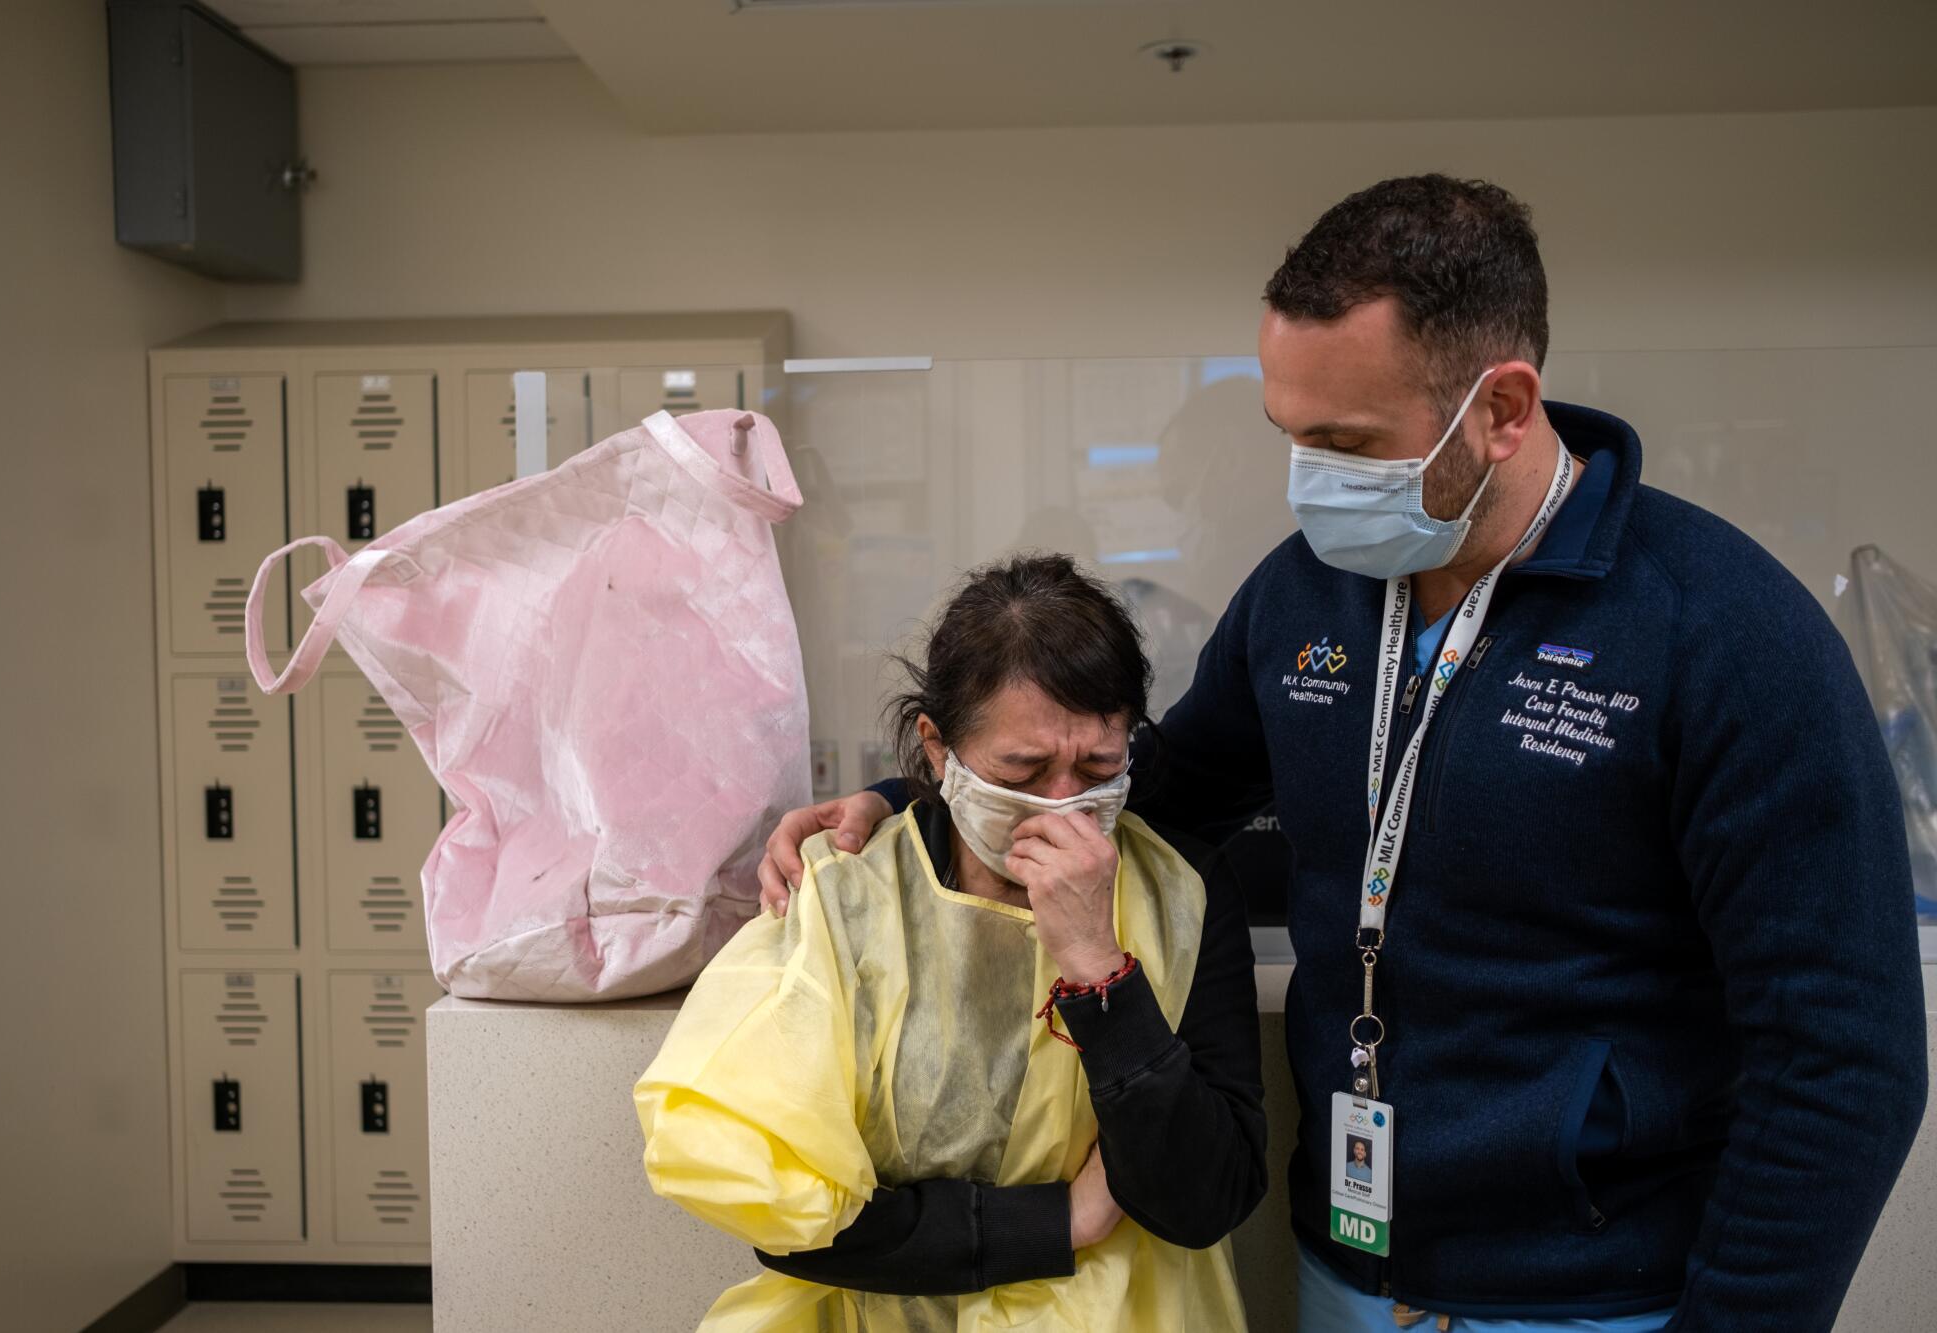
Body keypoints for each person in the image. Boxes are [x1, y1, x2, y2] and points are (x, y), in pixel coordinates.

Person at [760, 175, 1927, 1331]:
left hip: (1590, 1296)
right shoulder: (1305, 597)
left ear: (1503, 407)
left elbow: (1844, 1060)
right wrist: (908, 799)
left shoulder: (1720, 631)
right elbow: (1149, 795)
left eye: (1347, 442)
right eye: (1289, 434)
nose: (1308, 479)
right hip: (1345, 1268)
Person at [638, 554, 1267, 1330]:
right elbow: (791, 1220)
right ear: (937, 749)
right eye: (1024, 770)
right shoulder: (849, 889)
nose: (1066, 807)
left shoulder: (1186, 890)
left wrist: (1100, 971)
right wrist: (1062, 1221)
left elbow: (1208, 1197)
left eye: (1099, 765)